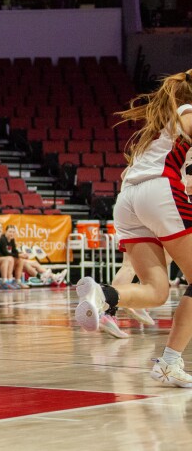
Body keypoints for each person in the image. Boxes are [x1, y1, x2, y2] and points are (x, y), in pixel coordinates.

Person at [74, 70, 192, 387]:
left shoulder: (159, 130)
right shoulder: (185, 113)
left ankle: (103, 295)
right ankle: (169, 362)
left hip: (129, 201)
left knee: (157, 291)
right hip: (159, 192)